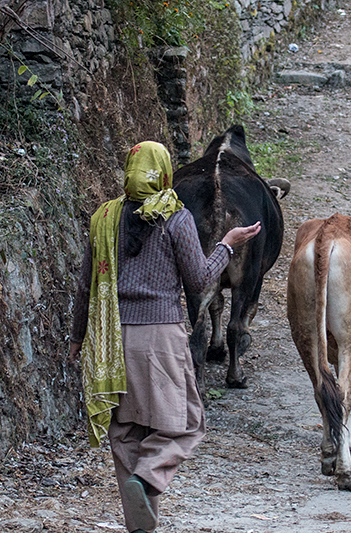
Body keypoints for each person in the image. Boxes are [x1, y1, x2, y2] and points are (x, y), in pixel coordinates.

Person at [69, 141, 260, 533]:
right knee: (186, 423)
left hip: (110, 340)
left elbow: (86, 286)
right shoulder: (176, 218)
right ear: (165, 174)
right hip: (160, 338)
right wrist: (227, 245)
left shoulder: (103, 218)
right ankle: (150, 477)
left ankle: (141, 524)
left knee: (125, 432)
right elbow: (201, 282)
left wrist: (77, 337)